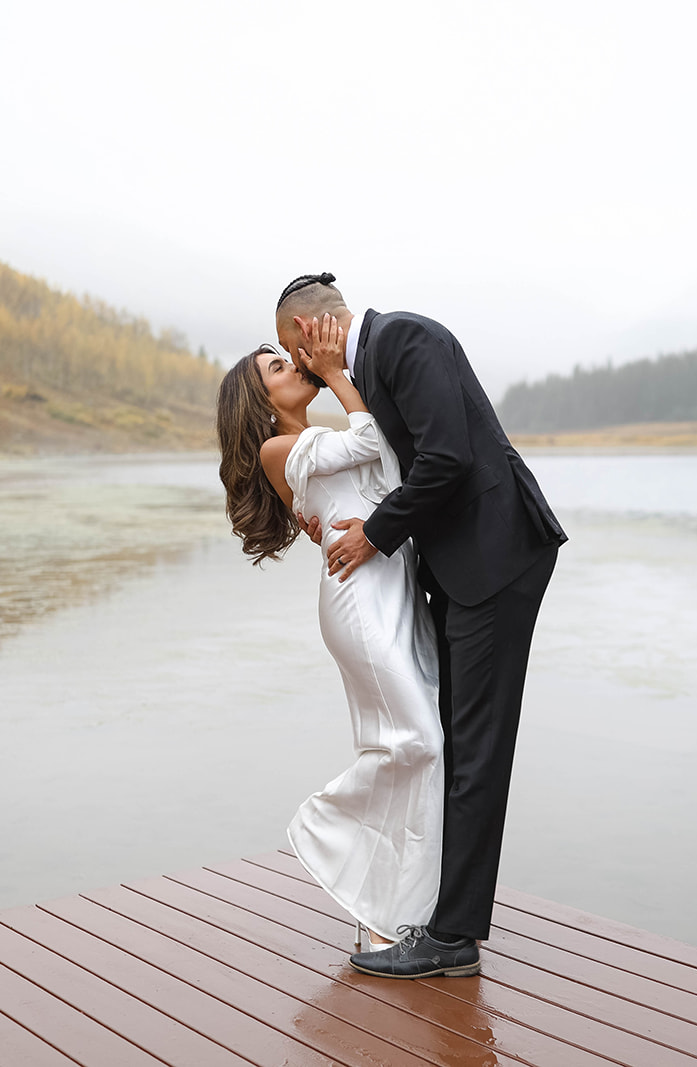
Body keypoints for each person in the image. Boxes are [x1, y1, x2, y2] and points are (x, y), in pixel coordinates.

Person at [279, 273, 565, 980]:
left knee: (475, 746)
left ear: (313, 329)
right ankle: (439, 912)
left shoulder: (404, 339)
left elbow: (447, 459)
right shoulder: (374, 366)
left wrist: (372, 534)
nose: (300, 362)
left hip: (497, 559)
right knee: (452, 738)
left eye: (293, 346)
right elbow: (396, 462)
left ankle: (454, 936)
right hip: (461, 569)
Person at [216, 334, 458, 968]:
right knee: (413, 742)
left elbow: (387, 471)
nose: (293, 365)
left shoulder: (315, 440)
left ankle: (397, 915)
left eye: (288, 357)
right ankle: (323, 831)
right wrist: (333, 370)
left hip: (392, 585)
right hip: (358, 599)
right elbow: (373, 441)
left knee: (418, 744)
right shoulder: (281, 445)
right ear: (260, 399)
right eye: (278, 366)